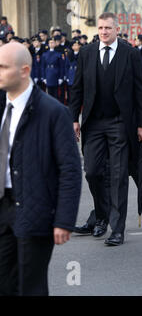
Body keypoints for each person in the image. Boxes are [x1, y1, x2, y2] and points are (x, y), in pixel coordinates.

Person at [0, 42, 82, 295]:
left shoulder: (52, 112)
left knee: (31, 286)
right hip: (2, 207)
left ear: (24, 71)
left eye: (3, 67)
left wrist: (64, 220)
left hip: (34, 209)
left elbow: (70, 169)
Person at [69, 12, 142, 246]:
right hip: (93, 123)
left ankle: (117, 229)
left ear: (117, 29)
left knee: (118, 176)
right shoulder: (86, 53)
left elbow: (140, 90)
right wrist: (74, 118)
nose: (103, 32)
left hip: (119, 123)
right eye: (101, 28)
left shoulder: (130, 54)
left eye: (108, 28)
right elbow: (77, 88)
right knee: (92, 172)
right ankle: (101, 215)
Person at [73, 71, 142, 235]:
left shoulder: (138, 72)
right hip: (110, 136)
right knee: (108, 180)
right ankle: (99, 219)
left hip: (138, 135)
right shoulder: (100, 71)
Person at [65, 39, 82, 104]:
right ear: (72, 47)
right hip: (71, 75)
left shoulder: (82, 54)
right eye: (74, 45)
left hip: (78, 74)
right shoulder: (69, 55)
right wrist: (67, 76)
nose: (75, 46)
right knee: (71, 92)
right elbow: (66, 67)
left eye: (77, 45)